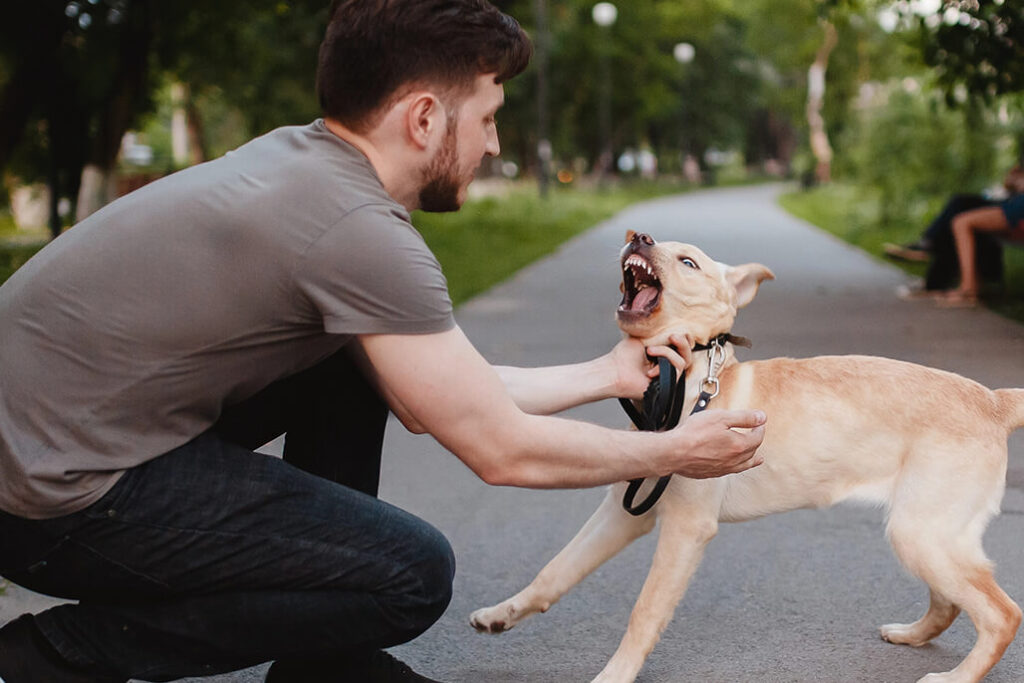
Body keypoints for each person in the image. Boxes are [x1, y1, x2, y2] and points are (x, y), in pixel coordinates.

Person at [0, 1, 766, 681]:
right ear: (425, 118)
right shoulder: (358, 233)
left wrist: (608, 373)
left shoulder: (305, 163)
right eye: (487, 118)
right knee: (408, 573)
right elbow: (501, 450)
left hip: (57, 449)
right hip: (49, 502)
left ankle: (323, 666)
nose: (493, 144)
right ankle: (48, 659)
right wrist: (675, 449)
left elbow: (449, 392)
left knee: (345, 365)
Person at [887, 165, 1024, 302]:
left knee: (961, 222)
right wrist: (1012, 181)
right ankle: (934, 270)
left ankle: (966, 289)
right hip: (1013, 200)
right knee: (960, 203)